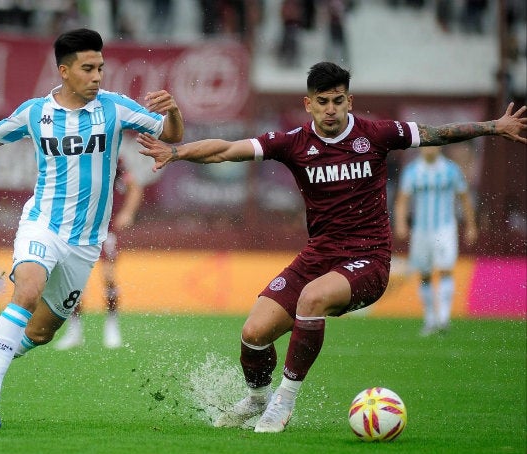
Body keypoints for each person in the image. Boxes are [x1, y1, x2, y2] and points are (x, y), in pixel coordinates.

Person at [136, 61, 527, 433]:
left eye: (338, 100)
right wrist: (176, 151)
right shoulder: (292, 142)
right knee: (254, 334)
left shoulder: (375, 134)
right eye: (322, 101)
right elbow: (227, 149)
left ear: (349, 101)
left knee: (310, 299)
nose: (330, 109)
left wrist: (494, 126)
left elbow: (437, 133)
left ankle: (284, 402)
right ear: (309, 104)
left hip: (368, 260)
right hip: (319, 257)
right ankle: (258, 398)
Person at [0, 28, 183, 429]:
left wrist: (175, 111)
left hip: (85, 243)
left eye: (100, 68)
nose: (97, 76)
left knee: (42, 333)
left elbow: (171, 135)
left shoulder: (116, 107)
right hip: (42, 223)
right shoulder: (35, 113)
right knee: (26, 291)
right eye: (88, 68)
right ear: (64, 71)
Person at [54, 140, 158, 350]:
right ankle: (75, 330)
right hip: (78, 229)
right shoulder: (71, 160)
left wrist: (128, 213)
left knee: (108, 276)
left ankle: (112, 327)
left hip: (104, 229)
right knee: (74, 281)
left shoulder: (112, 160)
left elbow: (134, 186)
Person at [394, 146, 477, 336]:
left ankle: (444, 318)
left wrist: (471, 225)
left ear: (439, 146)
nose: (428, 149)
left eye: (432, 144)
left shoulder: (451, 169)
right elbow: (402, 199)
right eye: (425, 145)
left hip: (445, 228)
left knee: (445, 269)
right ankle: (430, 319)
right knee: (424, 274)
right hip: (421, 230)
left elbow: (464, 197)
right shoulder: (412, 170)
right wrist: (400, 222)